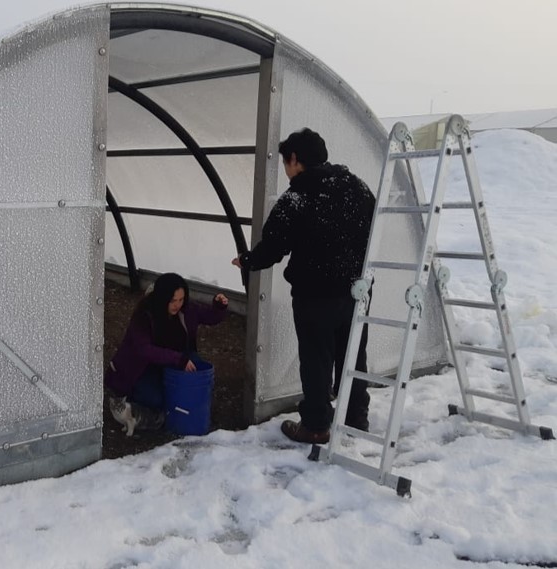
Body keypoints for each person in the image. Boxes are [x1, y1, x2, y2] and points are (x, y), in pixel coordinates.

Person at [232, 127, 375, 444]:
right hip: (358, 289)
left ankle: (315, 425)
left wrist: (248, 260)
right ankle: (355, 417)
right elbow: (372, 233)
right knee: (353, 354)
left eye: (286, 162)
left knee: (317, 357)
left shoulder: (298, 196)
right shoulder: (359, 188)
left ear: (295, 159)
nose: (286, 169)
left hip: (317, 292)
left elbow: (274, 246)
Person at [105, 273, 229, 434]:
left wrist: (219, 306)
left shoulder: (187, 310)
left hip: (172, 361)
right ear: (162, 298)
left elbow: (210, 316)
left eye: (181, 299)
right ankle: (132, 403)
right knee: (156, 398)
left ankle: (173, 409)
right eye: (172, 300)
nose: (177, 305)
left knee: (195, 367)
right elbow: (144, 350)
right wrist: (178, 360)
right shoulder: (144, 315)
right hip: (143, 368)